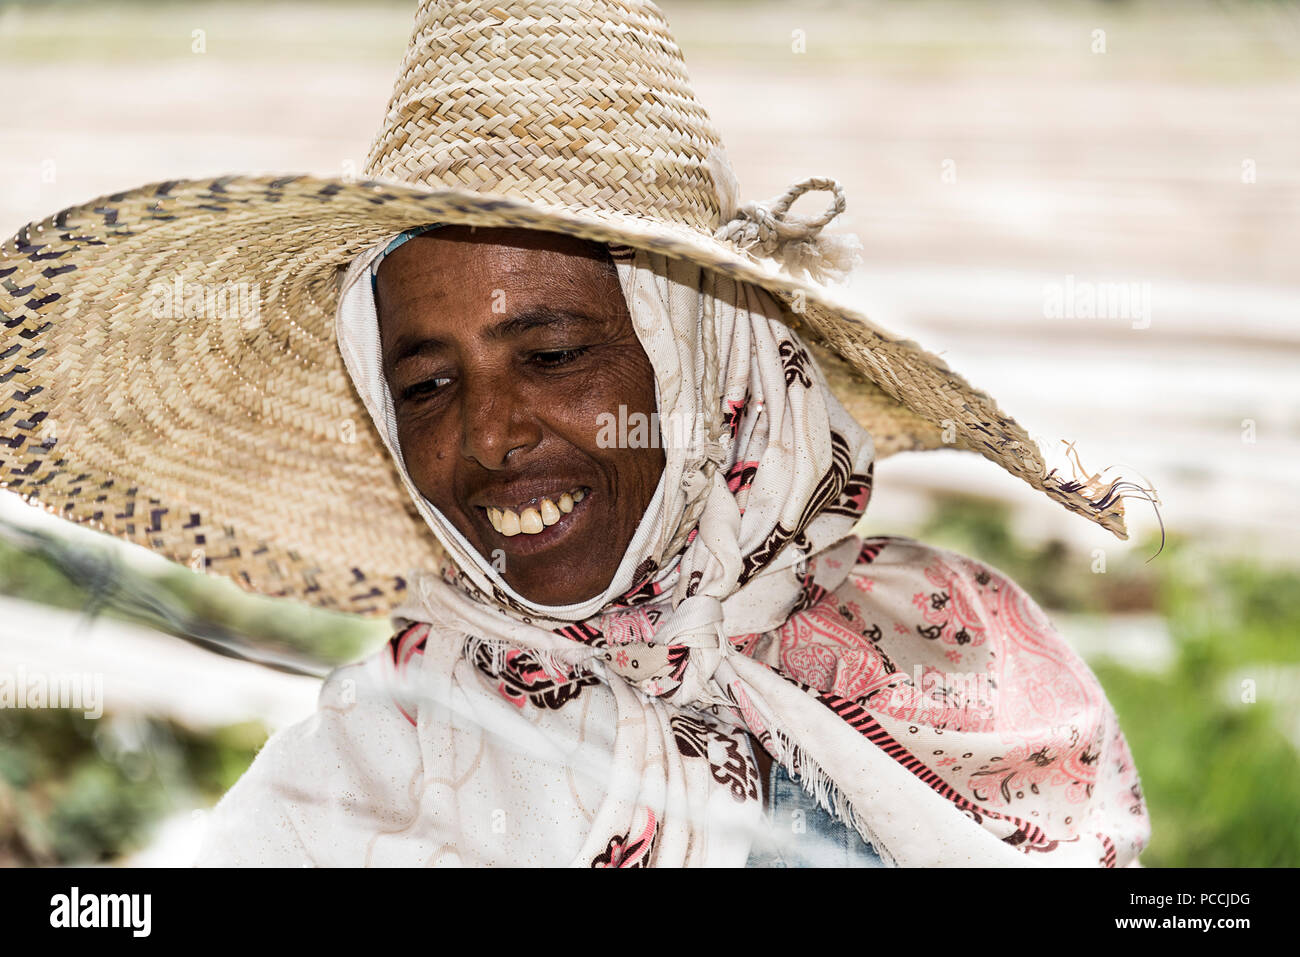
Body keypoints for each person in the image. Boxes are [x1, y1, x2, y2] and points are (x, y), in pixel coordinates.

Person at [0, 0, 1151, 867]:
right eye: (427, 385)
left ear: (705, 367)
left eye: (551, 356)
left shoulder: (950, 650)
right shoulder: (381, 751)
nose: (492, 436)